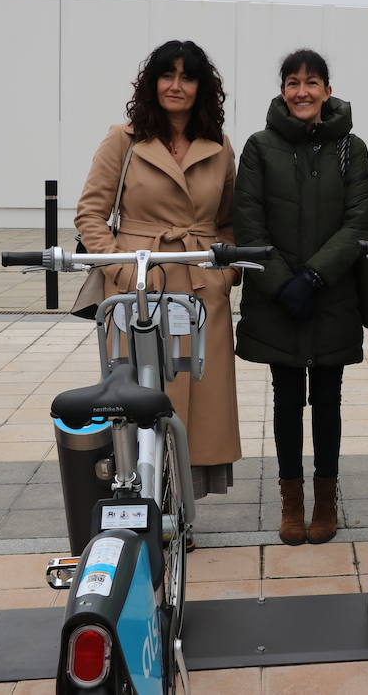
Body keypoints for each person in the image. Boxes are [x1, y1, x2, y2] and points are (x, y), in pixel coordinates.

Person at [76, 40, 241, 505]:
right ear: (151, 83)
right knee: (137, 395)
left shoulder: (220, 145)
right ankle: (137, 497)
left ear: (201, 87)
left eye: (187, 77)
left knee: (199, 403)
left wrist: (224, 276)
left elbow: (230, 220)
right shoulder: (123, 139)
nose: (175, 85)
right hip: (138, 287)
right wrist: (120, 271)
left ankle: (180, 509)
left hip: (201, 285)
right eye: (166, 75)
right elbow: (90, 214)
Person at [233, 48, 368, 545]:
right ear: (281, 91)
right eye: (293, 82)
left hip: (331, 294)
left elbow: (361, 220)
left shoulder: (350, 148)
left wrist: (314, 277)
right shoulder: (258, 146)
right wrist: (283, 282)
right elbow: (248, 222)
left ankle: (325, 497)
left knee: (329, 400)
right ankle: (291, 500)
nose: (302, 91)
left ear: (328, 91)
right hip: (278, 299)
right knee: (287, 399)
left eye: (312, 82)